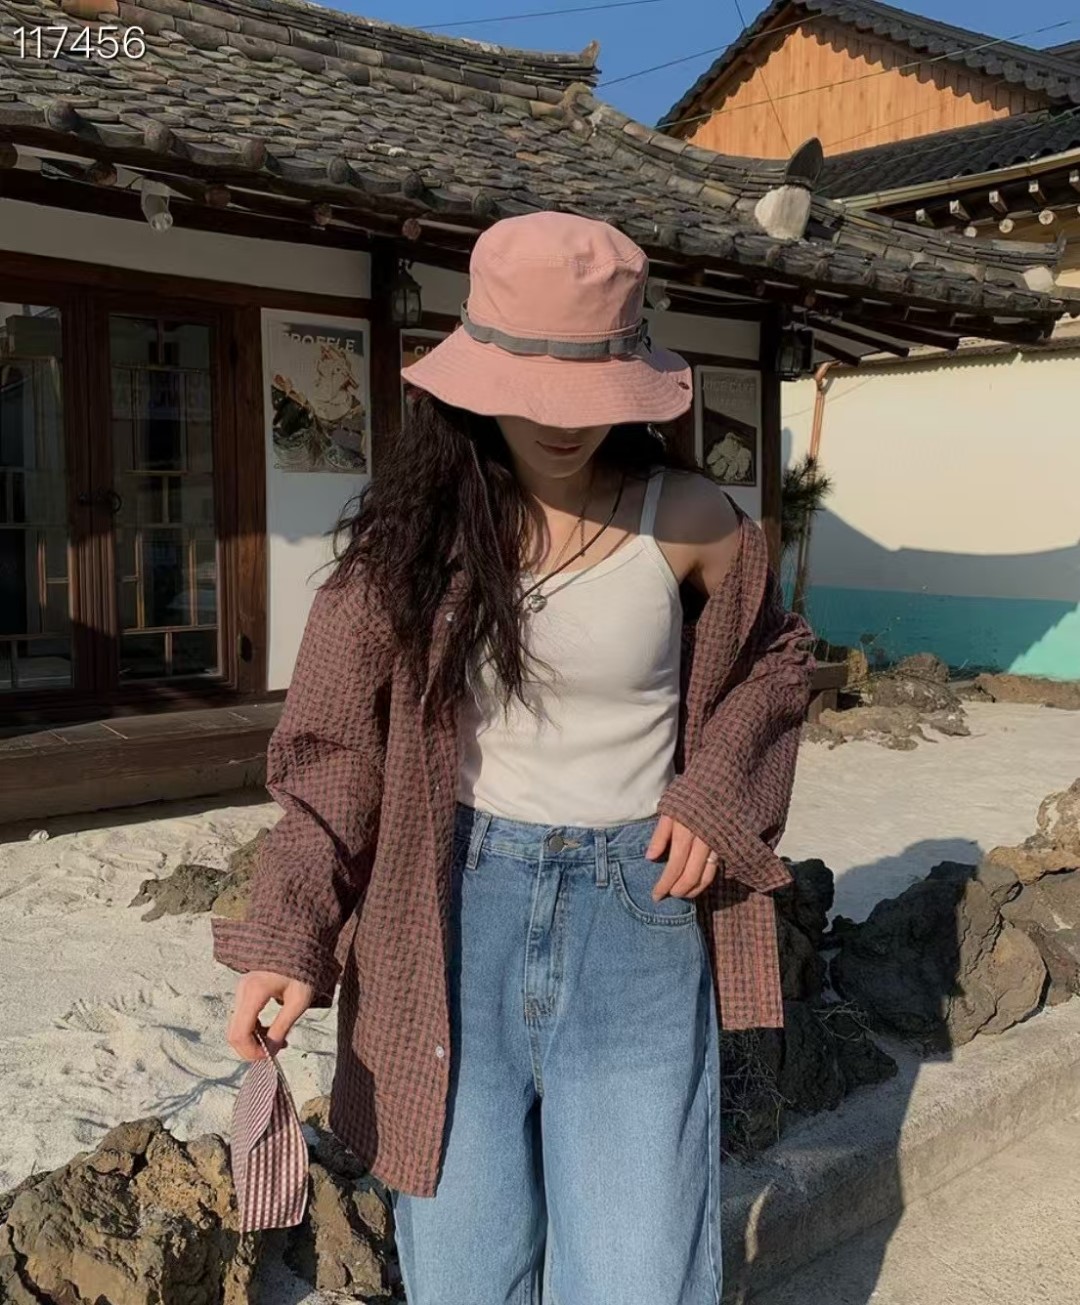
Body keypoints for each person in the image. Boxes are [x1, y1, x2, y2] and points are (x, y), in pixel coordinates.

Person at [214, 211, 815, 1305]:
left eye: (588, 392)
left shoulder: (686, 519)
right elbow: (333, 752)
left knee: (636, 1277)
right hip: (448, 915)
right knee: (466, 1271)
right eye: (534, 391)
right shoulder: (411, 541)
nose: (561, 422)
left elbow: (776, 662)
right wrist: (291, 936)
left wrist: (716, 792)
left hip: (636, 916)